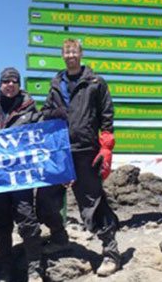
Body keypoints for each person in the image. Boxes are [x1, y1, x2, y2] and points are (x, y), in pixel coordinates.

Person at [38, 39, 121, 277]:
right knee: (44, 202)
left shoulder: (96, 83)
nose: (71, 55)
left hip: (86, 151)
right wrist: (53, 112)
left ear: (81, 54)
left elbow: (107, 116)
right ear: (62, 55)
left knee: (93, 205)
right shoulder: (56, 84)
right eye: (67, 51)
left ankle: (111, 253)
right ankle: (59, 237)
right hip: (59, 152)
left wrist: (106, 148)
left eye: (74, 51)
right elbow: (44, 113)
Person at [0, 67, 43, 282]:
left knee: (27, 220)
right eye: (5, 81)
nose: (9, 84)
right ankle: (5, 268)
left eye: (14, 81)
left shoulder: (31, 110)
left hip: (21, 179)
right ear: (0, 84)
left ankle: (35, 268)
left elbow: (44, 136)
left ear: (19, 84)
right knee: (1, 224)